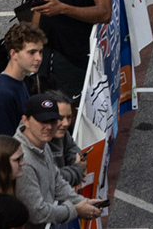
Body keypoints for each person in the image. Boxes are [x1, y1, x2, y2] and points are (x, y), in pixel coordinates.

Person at [15, 91, 103, 227]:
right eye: (42, 121)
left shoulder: (42, 143)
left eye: (53, 120)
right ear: (25, 120)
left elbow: (55, 180)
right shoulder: (23, 160)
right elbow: (38, 212)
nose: (49, 126)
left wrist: (82, 201)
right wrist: (76, 210)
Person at [0, 23, 45, 145]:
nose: (39, 58)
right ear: (14, 54)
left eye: (40, 52)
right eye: (32, 52)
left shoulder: (19, 82)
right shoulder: (2, 95)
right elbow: (2, 148)